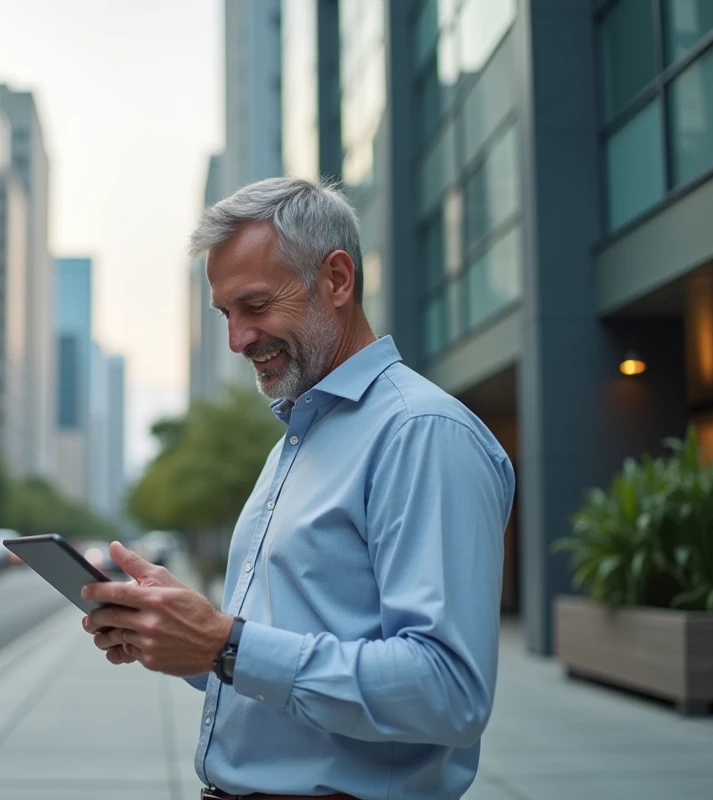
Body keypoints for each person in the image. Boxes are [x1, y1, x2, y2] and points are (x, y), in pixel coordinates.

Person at [82, 177, 516, 800]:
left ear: (337, 279)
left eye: (255, 306)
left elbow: (448, 691)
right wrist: (191, 639)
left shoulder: (421, 433)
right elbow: (278, 669)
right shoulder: (297, 440)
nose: (237, 339)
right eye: (226, 315)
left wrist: (225, 645)